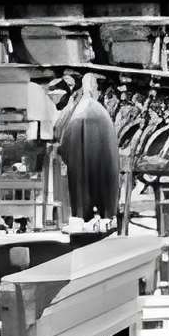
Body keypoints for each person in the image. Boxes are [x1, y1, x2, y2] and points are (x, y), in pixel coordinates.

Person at [50, 73, 124, 230]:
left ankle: (83, 218)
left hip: (78, 157)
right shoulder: (99, 111)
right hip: (103, 160)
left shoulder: (76, 111)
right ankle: (106, 217)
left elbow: (60, 137)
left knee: (80, 184)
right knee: (105, 182)